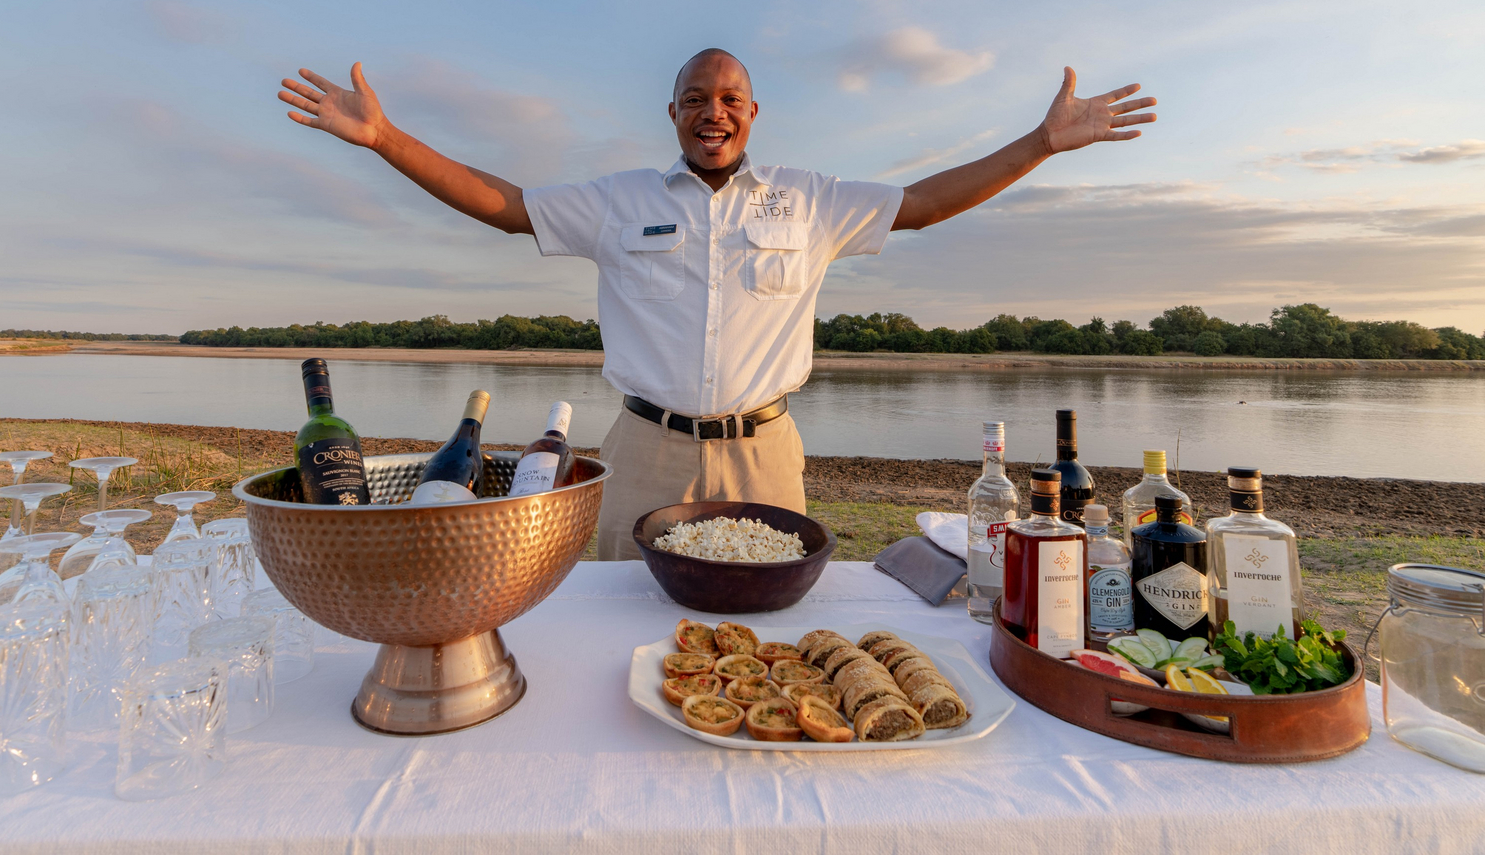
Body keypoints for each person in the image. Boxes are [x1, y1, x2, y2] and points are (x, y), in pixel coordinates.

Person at [277, 50, 1156, 559]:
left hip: (766, 453)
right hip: (643, 449)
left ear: (753, 112)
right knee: (616, 619)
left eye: (729, 99)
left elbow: (923, 203)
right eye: (696, 100)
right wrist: (385, 138)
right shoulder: (620, 201)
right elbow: (505, 206)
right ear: (671, 113)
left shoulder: (808, 200)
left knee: (765, 634)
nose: (713, 113)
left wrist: (1042, 142)